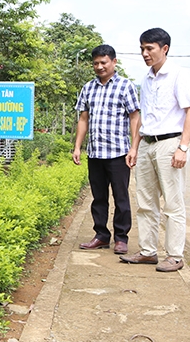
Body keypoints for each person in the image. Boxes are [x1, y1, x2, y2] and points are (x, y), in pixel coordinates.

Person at [122, 28, 190, 272]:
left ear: (164, 49)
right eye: (142, 49)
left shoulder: (178, 75)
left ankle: (174, 256)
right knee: (145, 202)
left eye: (149, 48)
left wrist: (182, 148)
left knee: (173, 203)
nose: (145, 53)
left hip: (169, 144)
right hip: (146, 144)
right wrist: (134, 147)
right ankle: (147, 251)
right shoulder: (146, 78)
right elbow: (143, 115)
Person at [73, 44, 140, 255]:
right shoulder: (88, 88)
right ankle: (101, 235)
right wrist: (77, 147)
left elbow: (134, 117)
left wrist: (133, 147)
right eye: (96, 63)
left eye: (104, 62)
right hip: (95, 153)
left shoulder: (125, 86)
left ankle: (121, 238)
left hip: (119, 153)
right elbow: (83, 119)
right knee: (98, 197)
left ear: (113, 62)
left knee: (121, 197)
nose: (100, 66)